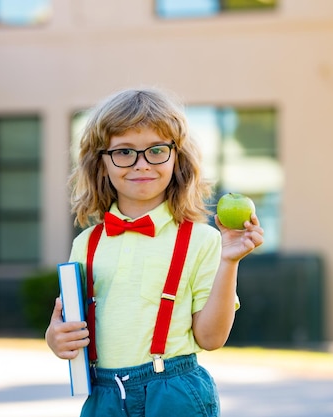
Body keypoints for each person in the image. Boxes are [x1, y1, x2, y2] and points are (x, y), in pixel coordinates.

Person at [46, 87, 264, 417]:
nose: (141, 164)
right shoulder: (86, 243)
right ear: (102, 163)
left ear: (177, 157)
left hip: (174, 392)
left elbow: (211, 338)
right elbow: (71, 325)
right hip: (104, 396)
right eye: (124, 152)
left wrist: (229, 260)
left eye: (156, 150)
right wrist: (55, 338)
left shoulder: (203, 240)